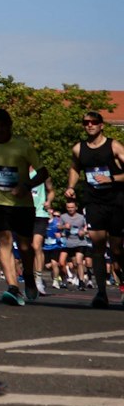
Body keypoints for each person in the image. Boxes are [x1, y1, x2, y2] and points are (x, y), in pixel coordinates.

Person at [71, 110, 124, 307]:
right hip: (94, 202)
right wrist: (70, 186)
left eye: (94, 122)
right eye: (86, 122)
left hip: (116, 201)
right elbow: (74, 168)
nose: (89, 125)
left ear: (101, 125)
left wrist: (111, 178)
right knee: (97, 247)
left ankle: (122, 280)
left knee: (117, 249)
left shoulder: (114, 145)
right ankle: (101, 293)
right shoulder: (79, 149)